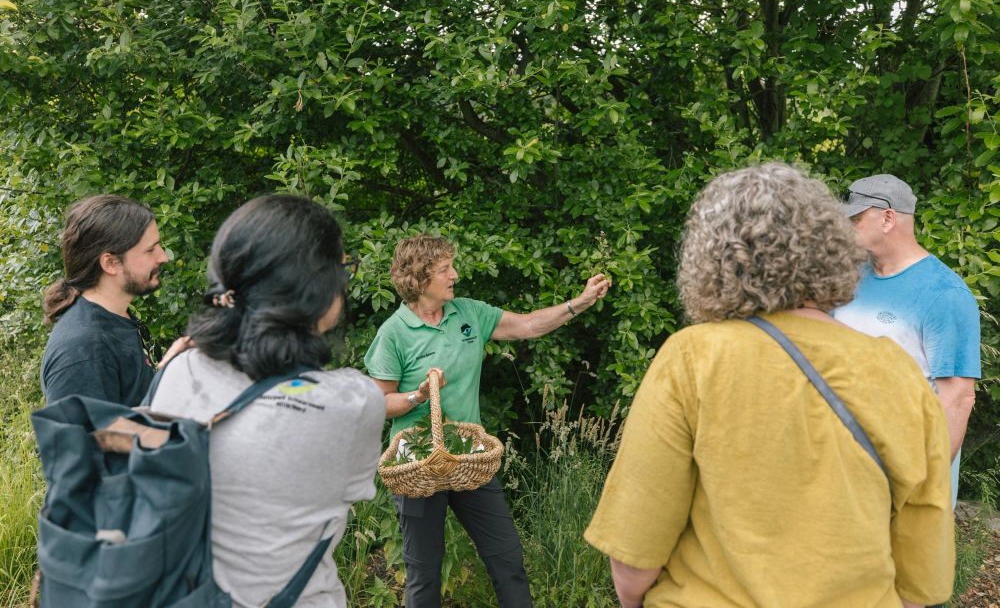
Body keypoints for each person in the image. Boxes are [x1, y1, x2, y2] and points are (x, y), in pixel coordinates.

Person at [585, 163, 954, 608]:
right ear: (831, 251)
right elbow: (924, 575)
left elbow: (634, 557)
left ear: (713, 259)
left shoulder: (693, 358)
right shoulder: (895, 371)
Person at [148, 195, 385, 608]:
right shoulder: (352, 403)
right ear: (312, 288)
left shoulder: (179, 368)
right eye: (341, 269)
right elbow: (350, 487)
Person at [364, 235, 611, 608]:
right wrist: (418, 396)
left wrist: (580, 303)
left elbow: (527, 326)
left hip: (469, 459)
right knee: (423, 573)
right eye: (445, 269)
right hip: (417, 465)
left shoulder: (469, 313)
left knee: (507, 559)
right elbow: (378, 403)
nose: (455, 275)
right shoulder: (393, 334)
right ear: (419, 277)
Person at [834, 173, 980, 508]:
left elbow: (957, 397)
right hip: (847, 465)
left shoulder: (943, 294)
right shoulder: (850, 279)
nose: (847, 228)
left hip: (907, 472)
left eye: (856, 219)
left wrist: (924, 484)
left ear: (888, 218)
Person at [41, 195, 188, 406]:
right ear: (110, 263)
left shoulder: (116, 316)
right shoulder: (84, 352)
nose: (163, 257)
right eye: (150, 250)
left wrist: (169, 372)